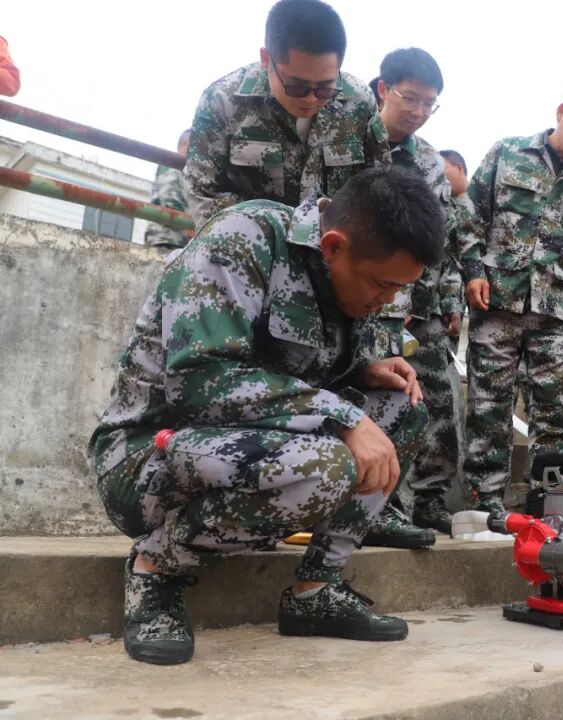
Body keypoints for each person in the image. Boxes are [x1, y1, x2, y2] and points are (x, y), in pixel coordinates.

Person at [89, 166, 445, 665]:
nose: (387, 301)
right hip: (148, 459)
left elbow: (292, 376)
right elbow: (198, 382)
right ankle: (156, 568)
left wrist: (361, 372)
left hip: (245, 451)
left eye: (398, 291)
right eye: (382, 286)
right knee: (327, 464)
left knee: (401, 409)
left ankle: (315, 590)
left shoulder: (349, 274)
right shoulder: (243, 239)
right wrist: (342, 415)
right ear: (334, 247)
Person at [459, 79, 563, 517]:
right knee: (488, 409)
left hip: (558, 319)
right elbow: (469, 218)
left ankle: (549, 507)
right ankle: (484, 507)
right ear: (561, 111)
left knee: (557, 416)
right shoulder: (507, 154)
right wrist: (473, 272)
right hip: (497, 306)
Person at [365, 47, 463, 544]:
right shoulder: (350, 138)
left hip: (422, 307)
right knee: (388, 400)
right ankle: (378, 509)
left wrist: (445, 299)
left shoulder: (427, 159)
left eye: (430, 103)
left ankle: (428, 502)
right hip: (368, 300)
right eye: (411, 99)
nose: (420, 111)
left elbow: (440, 237)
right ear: (384, 89)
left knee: (439, 403)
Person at [184, 0, 387, 227]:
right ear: (266, 59)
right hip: (251, 244)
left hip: (333, 244)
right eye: (297, 86)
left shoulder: (359, 102)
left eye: (324, 87)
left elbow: (377, 185)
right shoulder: (222, 101)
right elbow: (204, 193)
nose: (311, 99)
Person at [144, 130, 193, 254]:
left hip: (177, 241)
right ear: (186, 144)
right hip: (166, 239)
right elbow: (170, 200)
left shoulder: (185, 170)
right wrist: (193, 226)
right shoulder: (173, 163)